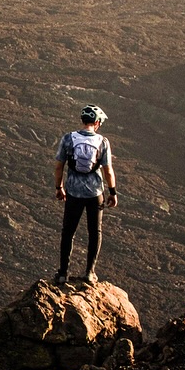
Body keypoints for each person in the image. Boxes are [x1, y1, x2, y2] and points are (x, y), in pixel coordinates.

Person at [53, 104, 118, 286]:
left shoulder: (68, 139)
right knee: (94, 232)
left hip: (73, 192)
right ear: (97, 123)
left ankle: (62, 273)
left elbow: (59, 166)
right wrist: (112, 192)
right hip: (95, 193)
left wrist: (59, 188)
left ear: (83, 121)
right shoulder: (103, 142)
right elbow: (108, 171)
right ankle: (89, 273)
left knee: (68, 232)